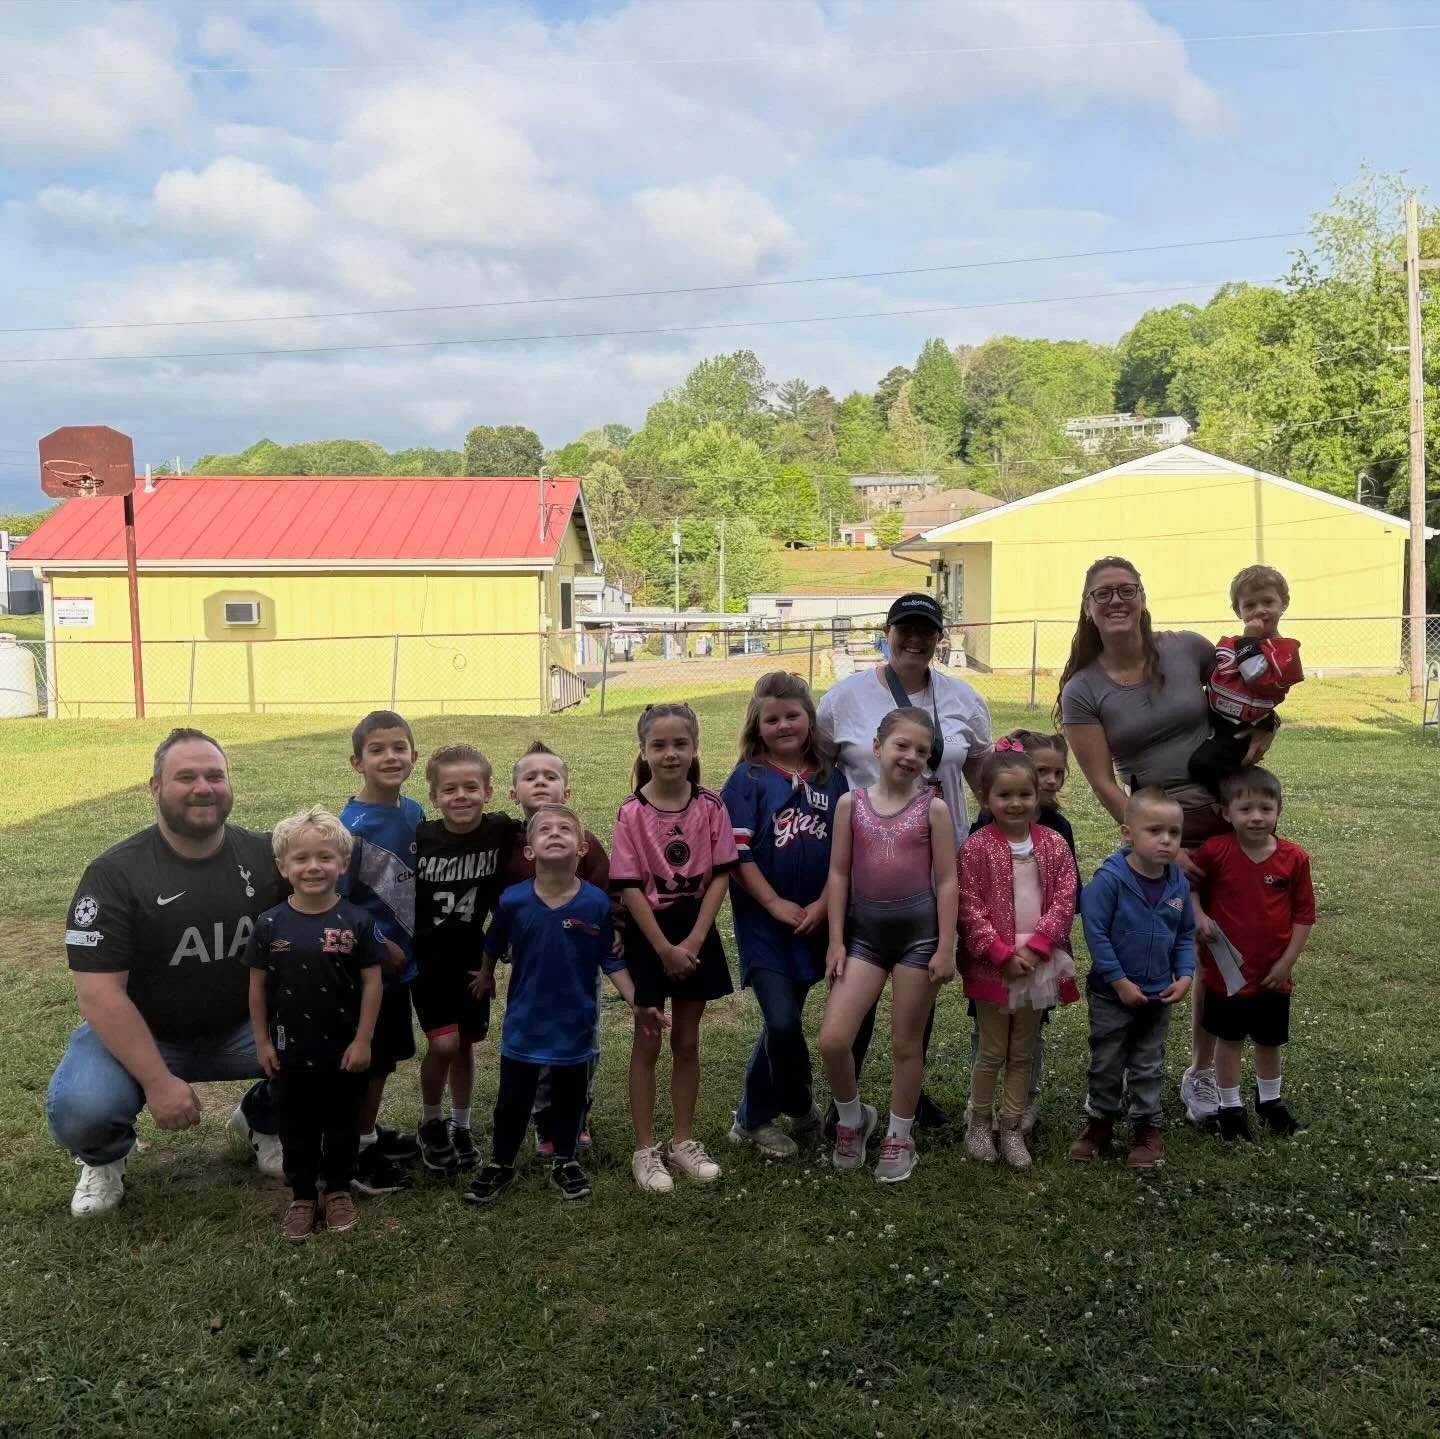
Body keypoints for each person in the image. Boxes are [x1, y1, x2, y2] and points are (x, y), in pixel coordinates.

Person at [1057, 556, 1272, 1130]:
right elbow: (1103, 781)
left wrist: (1262, 729)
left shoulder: (1189, 648)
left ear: (1144, 596)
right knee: (1147, 944)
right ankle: (1124, 1067)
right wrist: (1159, 846)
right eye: (1103, 594)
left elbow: (1251, 687)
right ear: (1088, 608)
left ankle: (1201, 1073)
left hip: (1224, 815)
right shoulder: (1083, 690)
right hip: (1158, 831)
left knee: (1219, 948)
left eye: (1127, 590)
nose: (1116, 600)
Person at [46, 727, 288, 1217]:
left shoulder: (267, 858)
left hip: (244, 1027)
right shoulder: (114, 874)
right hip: (146, 1033)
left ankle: (263, 1119)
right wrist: (157, 1082)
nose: (204, 787)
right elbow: (100, 995)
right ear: (155, 788)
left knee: (336, 1034)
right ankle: (104, 1159)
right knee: (84, 1106)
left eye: (215, 775)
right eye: (186, 777)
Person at [816, 592, 990, 1129]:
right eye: (904, 628)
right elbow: (820, 766)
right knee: (856, 986)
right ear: (886, 632)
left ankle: (904, 1101)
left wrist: (995, 829)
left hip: (938, 858)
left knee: (921, 982)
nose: (914, 639)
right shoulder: (844, 699)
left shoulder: (963, 698)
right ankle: (847, 1099)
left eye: (926, 630)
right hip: (869, 859)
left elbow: (980, 768)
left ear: (941, 637)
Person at [464, 806, 641, 1206]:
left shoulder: (595, 903)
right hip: (524, 1024)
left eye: (565, 829)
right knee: (512, 1099)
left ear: (581, 849)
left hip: (575, 1023)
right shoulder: (513, 901)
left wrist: (636, 1001)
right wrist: (487, 973)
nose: (555, 833)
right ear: (529, 851)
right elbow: (493, 943)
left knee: (569, 1097)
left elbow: (609, 959)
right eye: (545, 830)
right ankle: (501, 1162)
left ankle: (566, 1159)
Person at [817, 708, 958, 1185]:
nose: (911, 756)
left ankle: (900, 1135)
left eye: (922, 750)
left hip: (920, 941)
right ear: (877, 747)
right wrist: (836, 941)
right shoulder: (850, 805)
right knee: (834, 1039)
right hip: (865, 939)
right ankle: (853, 1119)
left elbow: (947, 880)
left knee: (905, 1043)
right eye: (902, 745)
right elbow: (838, 874)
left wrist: (946, 946)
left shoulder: (932, 809)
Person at [610, 703, 738, 1195]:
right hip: (651, 936)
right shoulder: (631, 813)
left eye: (679, 744)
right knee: (647, 1040)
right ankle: (646, 1149)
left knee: (686, 1040)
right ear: (643, 751)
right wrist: (664, 948)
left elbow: (721, 875)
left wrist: (694, 941)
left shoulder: (711, 806)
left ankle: (682, 1141)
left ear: (695, 748)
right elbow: (629, 887)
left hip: (694, 931)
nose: (670, 754)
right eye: (658, 745)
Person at [722, 673, 848, 1160]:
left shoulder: (829, 779)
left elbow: (843, 854)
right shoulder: (749, 778)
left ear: (809, 717)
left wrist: (821, 906)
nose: (783, 725)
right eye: (771, 718)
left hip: (814, 921)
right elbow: (737, 854)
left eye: (792, 714)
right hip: (765, 924)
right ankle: (797, 1102)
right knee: (780, 1022)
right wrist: (773, 903)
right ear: (757, 723)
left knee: (787, 1020)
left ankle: (751, 1118)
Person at [245, 807, 384, 1240]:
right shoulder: (269, 925)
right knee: (297, 1127)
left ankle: (339, 1190)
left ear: (342, 864)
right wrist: (262, 1042)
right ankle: (303, 1195)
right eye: (301, 859)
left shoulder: (358, 921)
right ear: (282, 866)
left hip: (345, 1051)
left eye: (325, 857)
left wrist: (363, 1041)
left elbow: (373, 983)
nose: (313, 867)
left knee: (343, 1124)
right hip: (290, 1050)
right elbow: (256, 989)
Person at [958, 743, 1078, 1171]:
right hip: (995, 966)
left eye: (1024, 795)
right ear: (986, 799)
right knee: (992, 1050)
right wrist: (999, 952)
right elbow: (968, 905)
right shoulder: (975, 848)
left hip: (1039, 964)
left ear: (1037, 796)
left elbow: (1065, 899)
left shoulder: (1054, 844)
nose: (1015, 803)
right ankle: (979, 1122)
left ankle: (1012, 1126)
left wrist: (1038, 947)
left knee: (1023, 1051)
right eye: (1004, 796)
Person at [1069, 789, 1196, 1170]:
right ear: (1128, 833)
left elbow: (1185, 934)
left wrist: (1186, 974)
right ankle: (1100, 1125)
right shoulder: (1109, 882)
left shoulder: (1178, 883)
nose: (1166, 840)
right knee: (1106, 1061)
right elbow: (1096, 934)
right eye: (1154, 830)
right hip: (1112, 995)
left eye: (1174, 833)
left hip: (1158, 995)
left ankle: (1146, 1127)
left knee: (1147, 1062)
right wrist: (1120, 982)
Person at [503, 741, 618, 1157]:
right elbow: (503, 906)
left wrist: (613, 931)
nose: (540, 783)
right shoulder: (511, 847)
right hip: (532, 972)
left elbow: (608, 893)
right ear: (514, 793)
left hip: (580, 967)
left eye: (550, 777)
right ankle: (544, 1122)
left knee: (584, 1039)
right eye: (530, 777)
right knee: (534, 1045)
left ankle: (576, 1115)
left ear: (566, 792)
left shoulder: (583, 842)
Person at [1188, 767, 1314, 1140]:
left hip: (1273, 975)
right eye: (1245, 809)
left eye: (1266, 808)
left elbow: (1304, 915)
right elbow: (1191, 885)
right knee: (1228, 1041)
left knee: (1270, 1041)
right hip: (1227, 974)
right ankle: (1230, 1108)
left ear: (1278, 810)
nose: (1256, 817)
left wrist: (1286, 962)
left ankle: (1270, 1102)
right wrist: (1198, 914)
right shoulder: (1215, 852)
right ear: (1226, 813)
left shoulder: (1294, 858)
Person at [412, 744, 520, 1174]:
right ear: (434, 796)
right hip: (429, 959)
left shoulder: (499, 831)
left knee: (465, 1045)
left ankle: (460, 1124)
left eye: (470, 787)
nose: (461, 796)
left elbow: (541, 826)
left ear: (489, 792)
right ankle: (430, 1120)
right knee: (444, 1042)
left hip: (475, 959)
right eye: (449, 789)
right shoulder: (420, 838)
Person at [339, 709, 424, 1196]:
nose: (390, 757)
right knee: (369, 1060)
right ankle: (358, 1151)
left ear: (414, 756)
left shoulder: (412, 812)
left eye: (399, 748)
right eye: (377, 749)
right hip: (372, 970)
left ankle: (367, 1131)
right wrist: (377, 945)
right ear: (357, 762)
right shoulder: (350, 830)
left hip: (406, 965)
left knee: (386, 1058)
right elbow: (335, 904)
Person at [1189, 566, 1304, 798]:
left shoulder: (1285, 651)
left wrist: (1250, 639)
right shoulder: (1234, 643)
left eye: (1268, 602)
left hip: (1242, 726)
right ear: (1237, 610)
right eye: (1250, 605)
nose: (1259, 610)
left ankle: (1229, 801)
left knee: (1202, 765)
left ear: (1284, 603)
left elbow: (1256, 677)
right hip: (1215, 714)